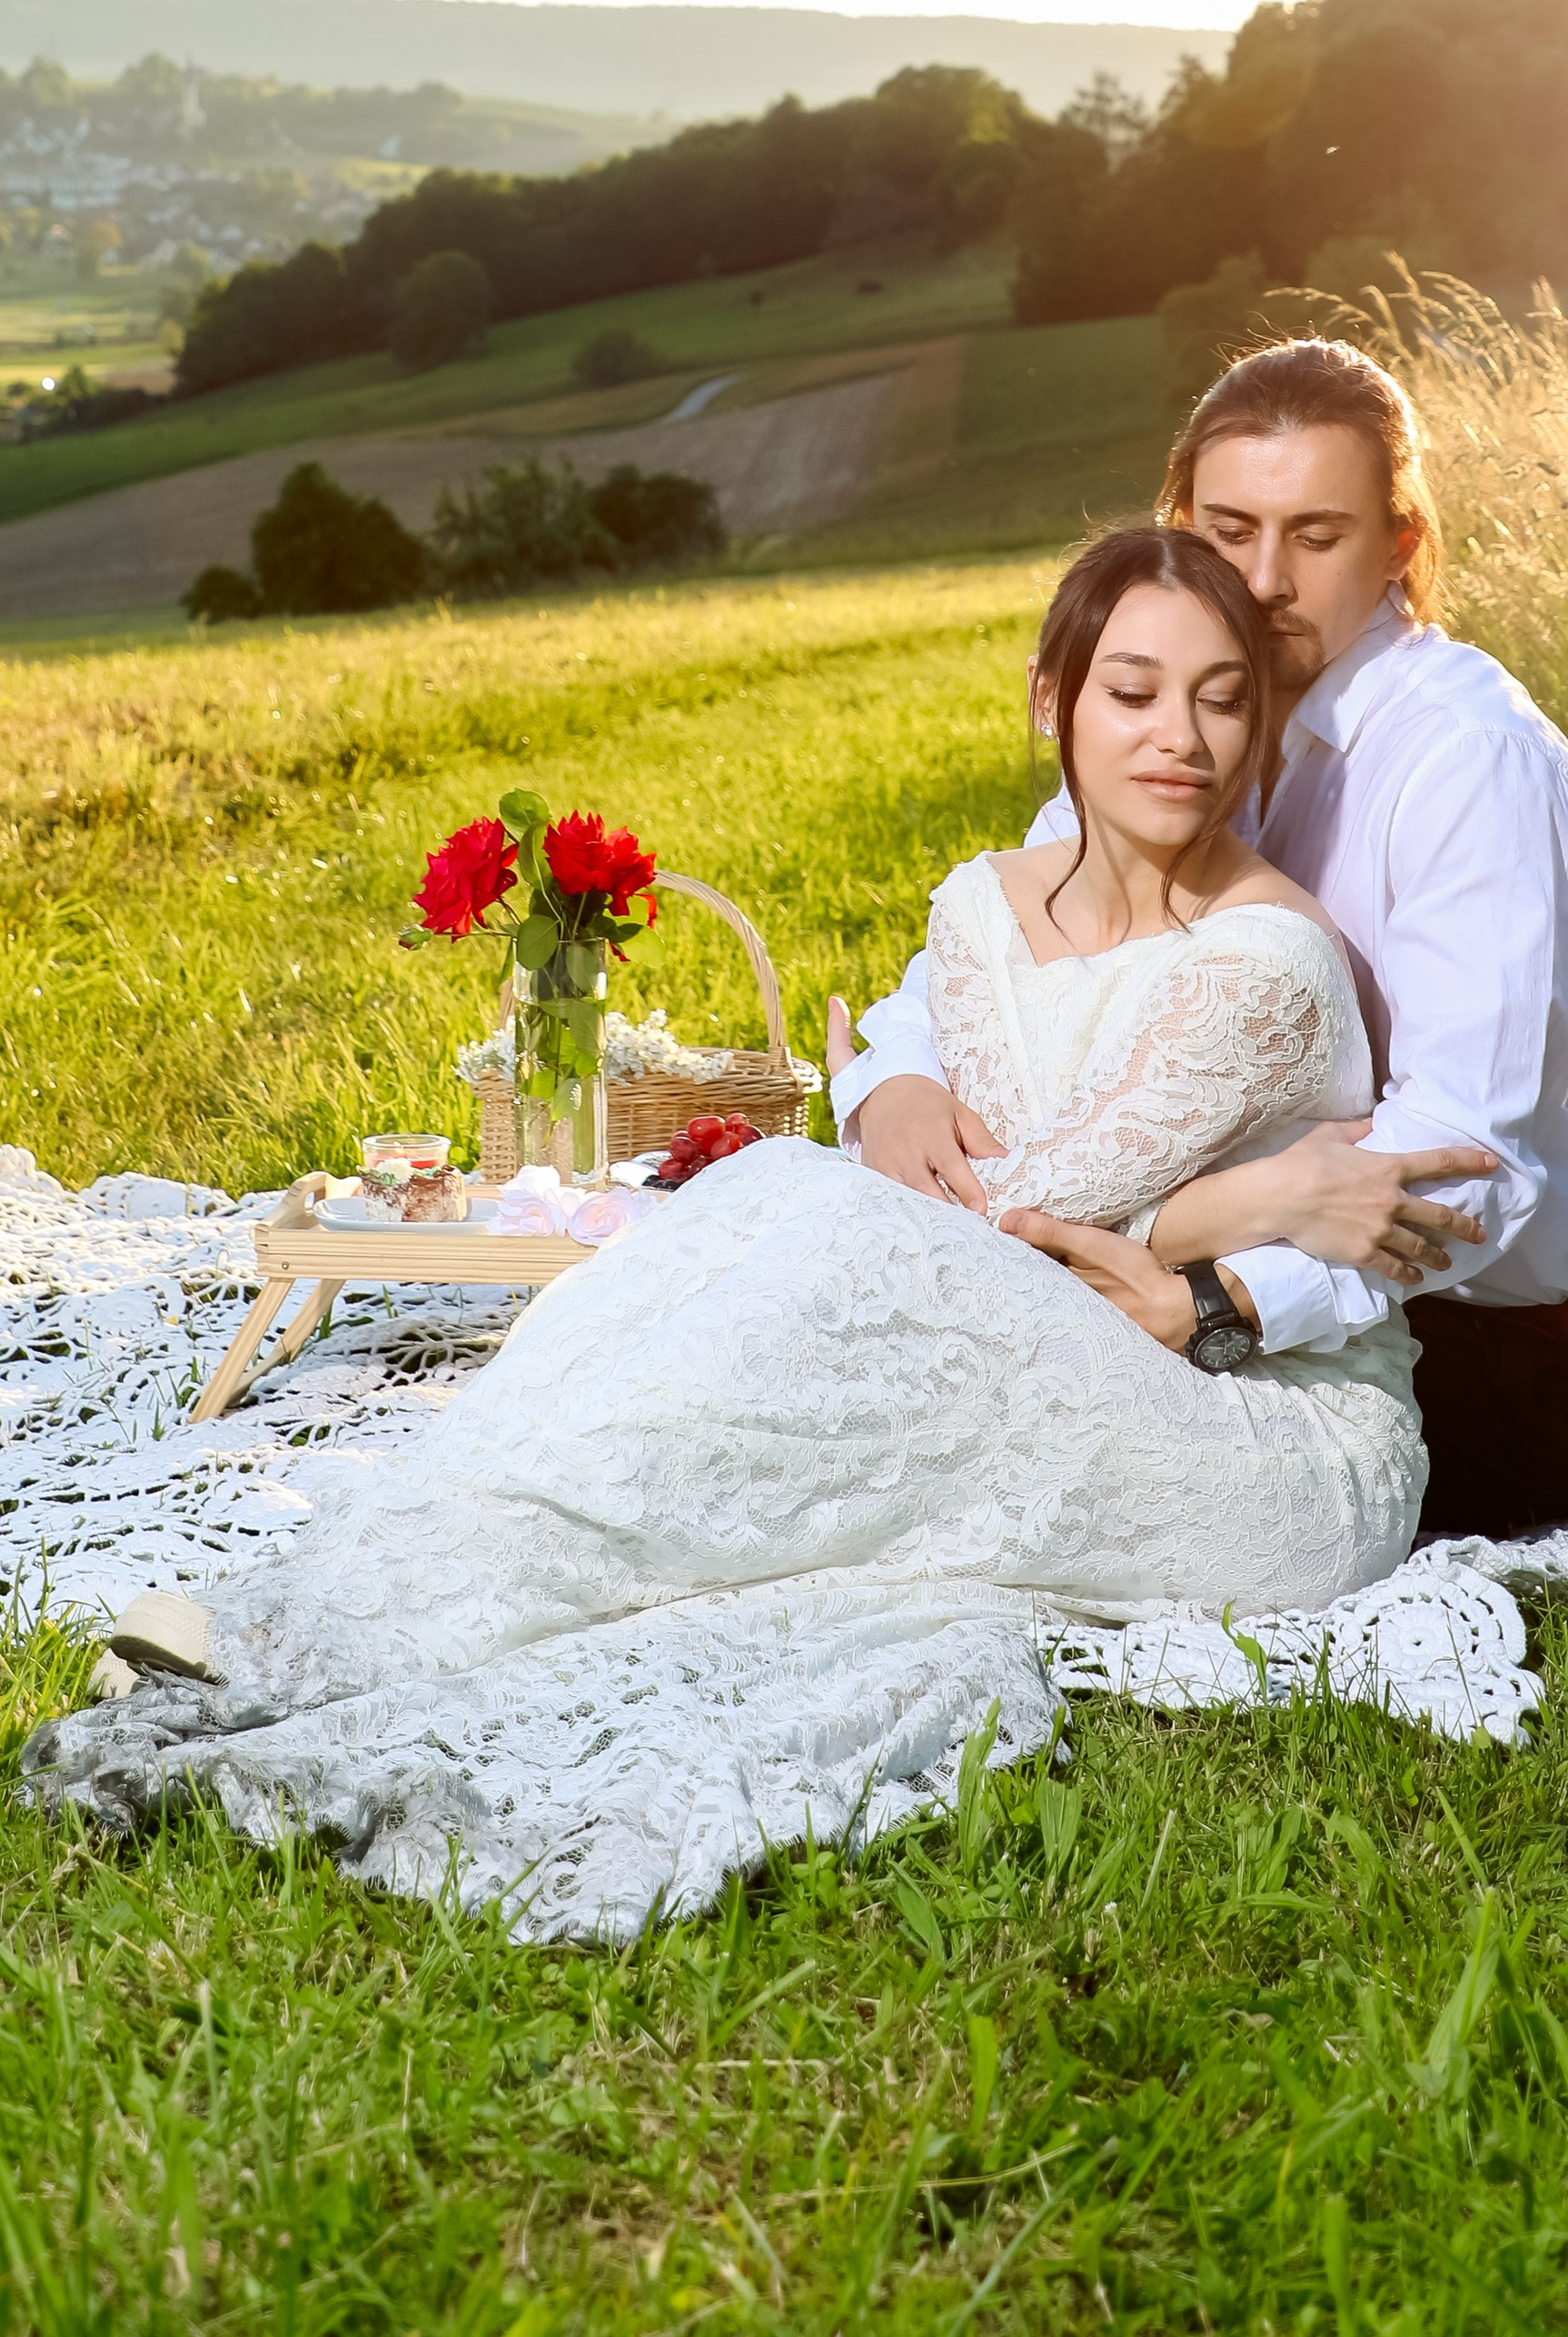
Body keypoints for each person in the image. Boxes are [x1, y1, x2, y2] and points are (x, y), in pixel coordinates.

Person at [26, 530, 1420, 1944]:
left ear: (1259, 723)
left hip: (1247, 1427)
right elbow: (995, 1198)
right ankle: (364, 1589)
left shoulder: (1270, 960)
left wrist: (1164, 1217)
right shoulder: (981, 904)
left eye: (1222, 697)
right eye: (1132, 690)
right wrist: (1235, 1200)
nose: (1179, 735)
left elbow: (1015, 1211)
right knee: (762, 1232)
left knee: (817, 1230)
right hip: (1048, 1314)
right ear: (1051, 699)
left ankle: (311, 1632)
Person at [833, 336, 1568, 1540]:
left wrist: (1213, 1303)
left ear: (1399, 547)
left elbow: (1464, 1165)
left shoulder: (1474, 766)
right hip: (1265, 1262)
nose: (1263, 580)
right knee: (901, 1397)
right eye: (1229, 528)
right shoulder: (1192, 703)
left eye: (1316, 535)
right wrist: (891, 1076)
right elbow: (1025, 927)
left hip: (1533, 1350)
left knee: (977, 1466)